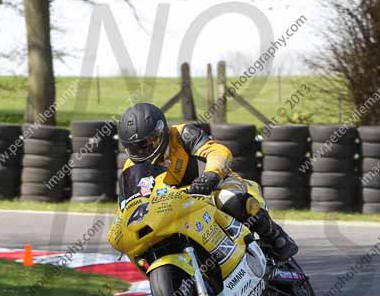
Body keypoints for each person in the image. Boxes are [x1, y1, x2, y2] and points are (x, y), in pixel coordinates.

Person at [118, 102, 298, 260]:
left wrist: (210, 175)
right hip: (176, 205)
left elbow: (218, 152)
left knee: (229, 199)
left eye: (146, 143)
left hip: (214, 186)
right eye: (133, 147)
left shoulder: (182, 135)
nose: (141, 151)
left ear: (161, 131)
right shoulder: (130, 167)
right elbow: (130, 203)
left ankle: (275, 236)